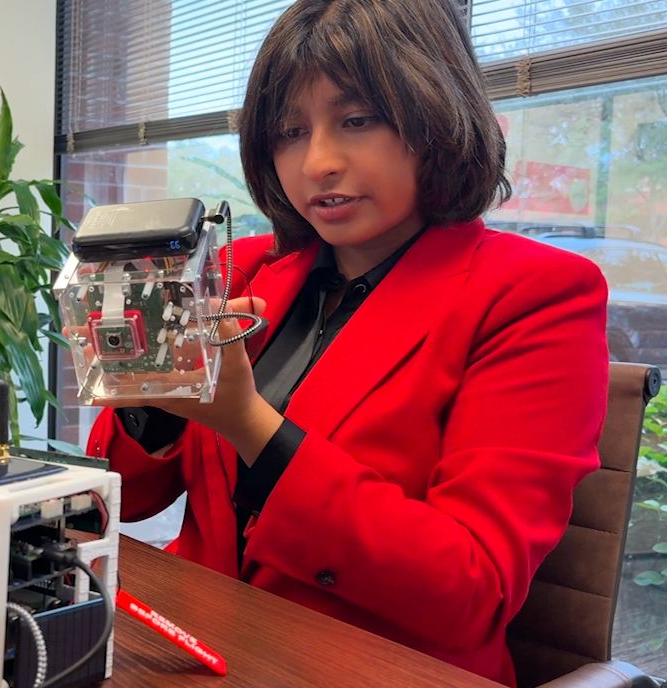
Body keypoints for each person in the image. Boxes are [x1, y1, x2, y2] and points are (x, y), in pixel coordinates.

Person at [84, 1, 609, 685]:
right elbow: (124, 497)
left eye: (357, 120)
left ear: (438, 115)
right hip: (193, 646)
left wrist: (250, 426)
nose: (318, 162)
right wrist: (151, 394)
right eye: (290, 131)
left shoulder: (536, 295)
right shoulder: (244, 270)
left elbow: (471, 588)